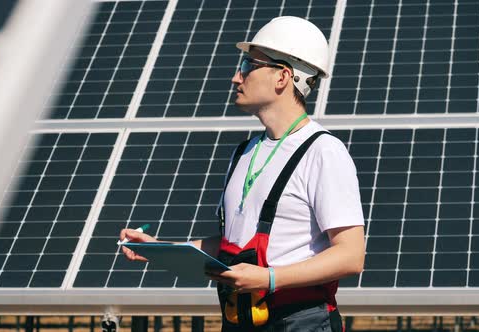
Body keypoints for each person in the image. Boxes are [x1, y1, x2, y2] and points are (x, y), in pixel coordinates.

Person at [120, 16, 365, 332]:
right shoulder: (244, 152)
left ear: (282, 77)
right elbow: (230, 245)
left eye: (249, 65)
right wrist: (159, 250)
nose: (237, 77)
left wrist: (269, 278)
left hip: (300, 322)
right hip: (239, 319)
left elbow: (350, 256)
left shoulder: (324, 152)